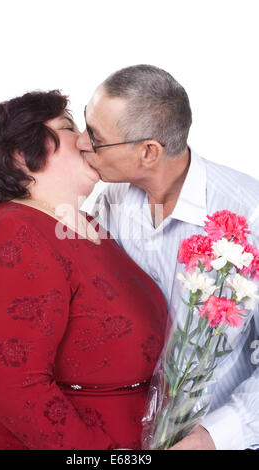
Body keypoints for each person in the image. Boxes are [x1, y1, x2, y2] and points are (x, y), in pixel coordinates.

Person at [0, 90, 168, 450]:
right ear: (22, 155)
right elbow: (15, 387)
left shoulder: (87, 226)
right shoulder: (12, 232)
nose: (88, 140)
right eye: (69, 127)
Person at [76, 64, 259, 450]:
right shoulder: (112, 198)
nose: (79, 142)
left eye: (96, 137)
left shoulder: (250, 213)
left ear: (148, 152)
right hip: (127, 437)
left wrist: (213, 437)